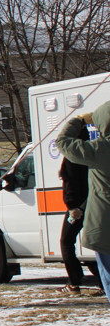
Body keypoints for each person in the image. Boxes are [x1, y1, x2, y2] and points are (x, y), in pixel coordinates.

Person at [55, 104, 110, 305]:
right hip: (91, 212)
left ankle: (75, 281)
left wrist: (78, 120)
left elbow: (62, 142)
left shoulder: (100, 150)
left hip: (103, 223)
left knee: (68, 242)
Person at [56, 120, 89, 295]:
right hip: (94, 203)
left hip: (77, 207)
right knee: (96, 243)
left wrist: (71, 206)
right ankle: (101, 281)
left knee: (66, 242)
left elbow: (71, 183)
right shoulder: (91, 151)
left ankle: (74, 282)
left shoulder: (72, 155)